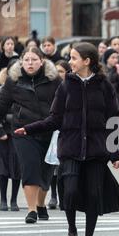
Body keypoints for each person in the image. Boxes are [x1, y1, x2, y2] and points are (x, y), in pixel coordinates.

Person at [14, 42, 119, 236]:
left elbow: (114, 120)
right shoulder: (66, 86)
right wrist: (29, 129)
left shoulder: (105, 86)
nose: (70, 62)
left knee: (94, 195)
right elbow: (54, 119)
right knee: (71, 191)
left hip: (96, 150)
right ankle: (72, 232)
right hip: (71, 149)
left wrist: (116, 153)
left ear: (87, 61)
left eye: (74, 58)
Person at [0, 47, 62, 223]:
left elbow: (65, 104)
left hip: (48, 131)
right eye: (26, 60)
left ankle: (41, 204)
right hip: (22, 131)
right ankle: (32, 210)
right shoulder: (14, 81)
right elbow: (0, 107)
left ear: (41, 61)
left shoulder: (54, 80)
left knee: (46, 172)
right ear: (21, 61)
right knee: (29, 168)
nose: (30, 63)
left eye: (34, 60)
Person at [0, 67, 21, 211]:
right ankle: (3, 199)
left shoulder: (23, 90)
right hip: (4, 133)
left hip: (18, 132)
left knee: (17, 167)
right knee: (2, 167)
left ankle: (14, 200)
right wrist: (0, 130)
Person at [46, 60, 71, 210]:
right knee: (53, 165)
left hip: (67, 129)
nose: (58, 74)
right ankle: (53, 195)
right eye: (56, 71)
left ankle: (65, 196)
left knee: (64, 166)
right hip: (52, 128)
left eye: (61, 71)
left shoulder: (70, 87)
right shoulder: (50, 87)